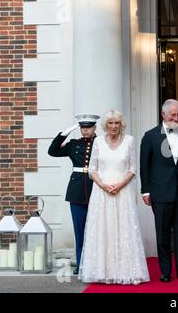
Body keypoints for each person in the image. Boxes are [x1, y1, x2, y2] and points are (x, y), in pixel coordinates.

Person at [79, 109, 150, 284]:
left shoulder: (129, 141)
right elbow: (92, 169)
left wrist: (120, 185)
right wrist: (103, 185)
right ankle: (101, 272)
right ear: (105, 125)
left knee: (123, 230)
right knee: (103, 230)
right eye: (110, 123)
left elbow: (133, 168)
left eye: (117, 123)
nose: (113, 126)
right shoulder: (97, 142)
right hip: (101, 193)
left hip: (123, 192)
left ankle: (125, 271)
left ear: (121, 124)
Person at [140, 99, 178, 283]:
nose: (176, 117)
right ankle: (165, 271)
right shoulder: (150, 136)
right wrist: (145, 191)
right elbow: (144, 166)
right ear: (163, 114)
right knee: (163, 233)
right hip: (160, 191)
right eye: (173, 114)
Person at [48, 113, 99, 275]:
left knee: (98, 231)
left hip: (97, 190)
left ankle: (97, 264)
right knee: (80, 232)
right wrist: (65, 132)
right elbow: (52, 151)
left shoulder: (101, 144)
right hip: (77, 192)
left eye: (88, 127)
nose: (85, 131)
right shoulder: (73, 144)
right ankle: (81, 264)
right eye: (82, 128)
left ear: (95, 128)